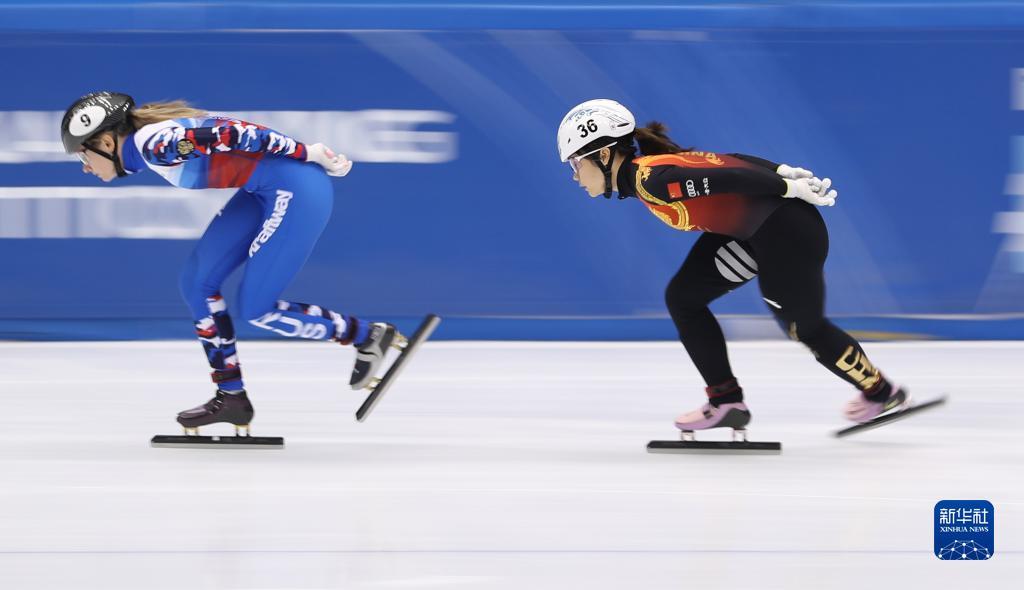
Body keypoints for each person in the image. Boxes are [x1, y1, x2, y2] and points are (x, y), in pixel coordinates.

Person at [556, 99, 910, 435]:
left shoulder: (653, 181)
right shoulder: (649, 170)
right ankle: (726, 402)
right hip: (752, 233)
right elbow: (728, 161)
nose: (575, 176)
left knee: (806, 329)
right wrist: (781, 170)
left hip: (788, 235)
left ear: (603, 154)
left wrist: (786, 184)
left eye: (576, 164)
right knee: (683, 298)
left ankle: (881, 391)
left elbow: (731, 177)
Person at [61, 91, 405, 435]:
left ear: (106, 141)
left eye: (83, 155)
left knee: (257, 308)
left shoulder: (155, 145)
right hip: (262, 190)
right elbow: (228, 130)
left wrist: (304, 152)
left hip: (296, 189)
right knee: (197, 283)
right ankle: (231, 397)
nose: (86, 167)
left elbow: (233, 134)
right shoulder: (150, 142)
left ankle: (367, 335)